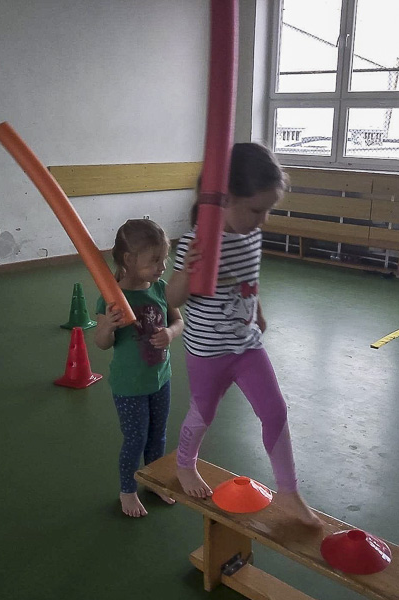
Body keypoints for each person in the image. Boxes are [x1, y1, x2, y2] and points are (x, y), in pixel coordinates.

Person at [167, 143, 320, 527]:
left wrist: (259, 313)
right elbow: (172, 298)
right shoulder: (196, 244)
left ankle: (288, 492)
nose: (263, 220)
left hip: (247, 345)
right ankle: (185, 463)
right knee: (204, 412)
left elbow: (250, 279)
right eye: (256, 210)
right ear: (225, 199)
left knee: (275, 410)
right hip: (207, 352)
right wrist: (187, 272)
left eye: (268, 210)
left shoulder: (251, 236)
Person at [94, 219, 184, 517]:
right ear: (129, 260)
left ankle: (154, 481)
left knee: (158, 435)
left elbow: (178, 320)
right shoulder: (112, 299)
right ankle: (128, 491)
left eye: (164, 259)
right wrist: (108, 326)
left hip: (161, 378)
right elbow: (102, 343)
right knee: (136, 439)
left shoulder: (160, 288)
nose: (162, 266)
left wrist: (170, 333)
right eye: (155, 260)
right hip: (129, 385)